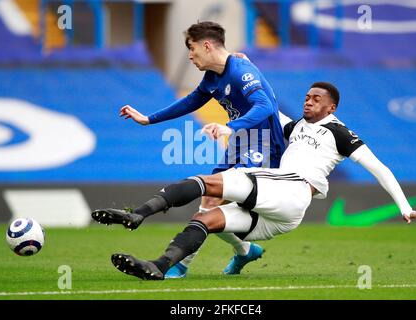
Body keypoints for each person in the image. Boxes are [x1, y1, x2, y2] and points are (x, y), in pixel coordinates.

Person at [93, 81, 416, 280]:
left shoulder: (339, 132)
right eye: (307, 96)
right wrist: (247, 69)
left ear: (331, 108)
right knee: (206, 218)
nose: (308, 100)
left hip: (293, 189)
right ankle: (160, 267)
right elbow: (269, 104)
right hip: (283, 211)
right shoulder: (296, 127)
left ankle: (138, 214)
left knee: (209, 183)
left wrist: (404, 207)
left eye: (317, 98)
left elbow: (380, 168)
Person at [101, 21, 286, 278]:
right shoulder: (214, 76)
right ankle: (245, 251)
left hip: (263, 144)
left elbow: (265, 105)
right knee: (210, 203)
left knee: (213, 203)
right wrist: (148, 119)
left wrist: (231, 126)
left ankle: (179, 264)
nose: (190, 55)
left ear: (207, 45)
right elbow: (192, 100)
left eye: (192, 48)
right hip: (240, 142)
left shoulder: (241, 70)